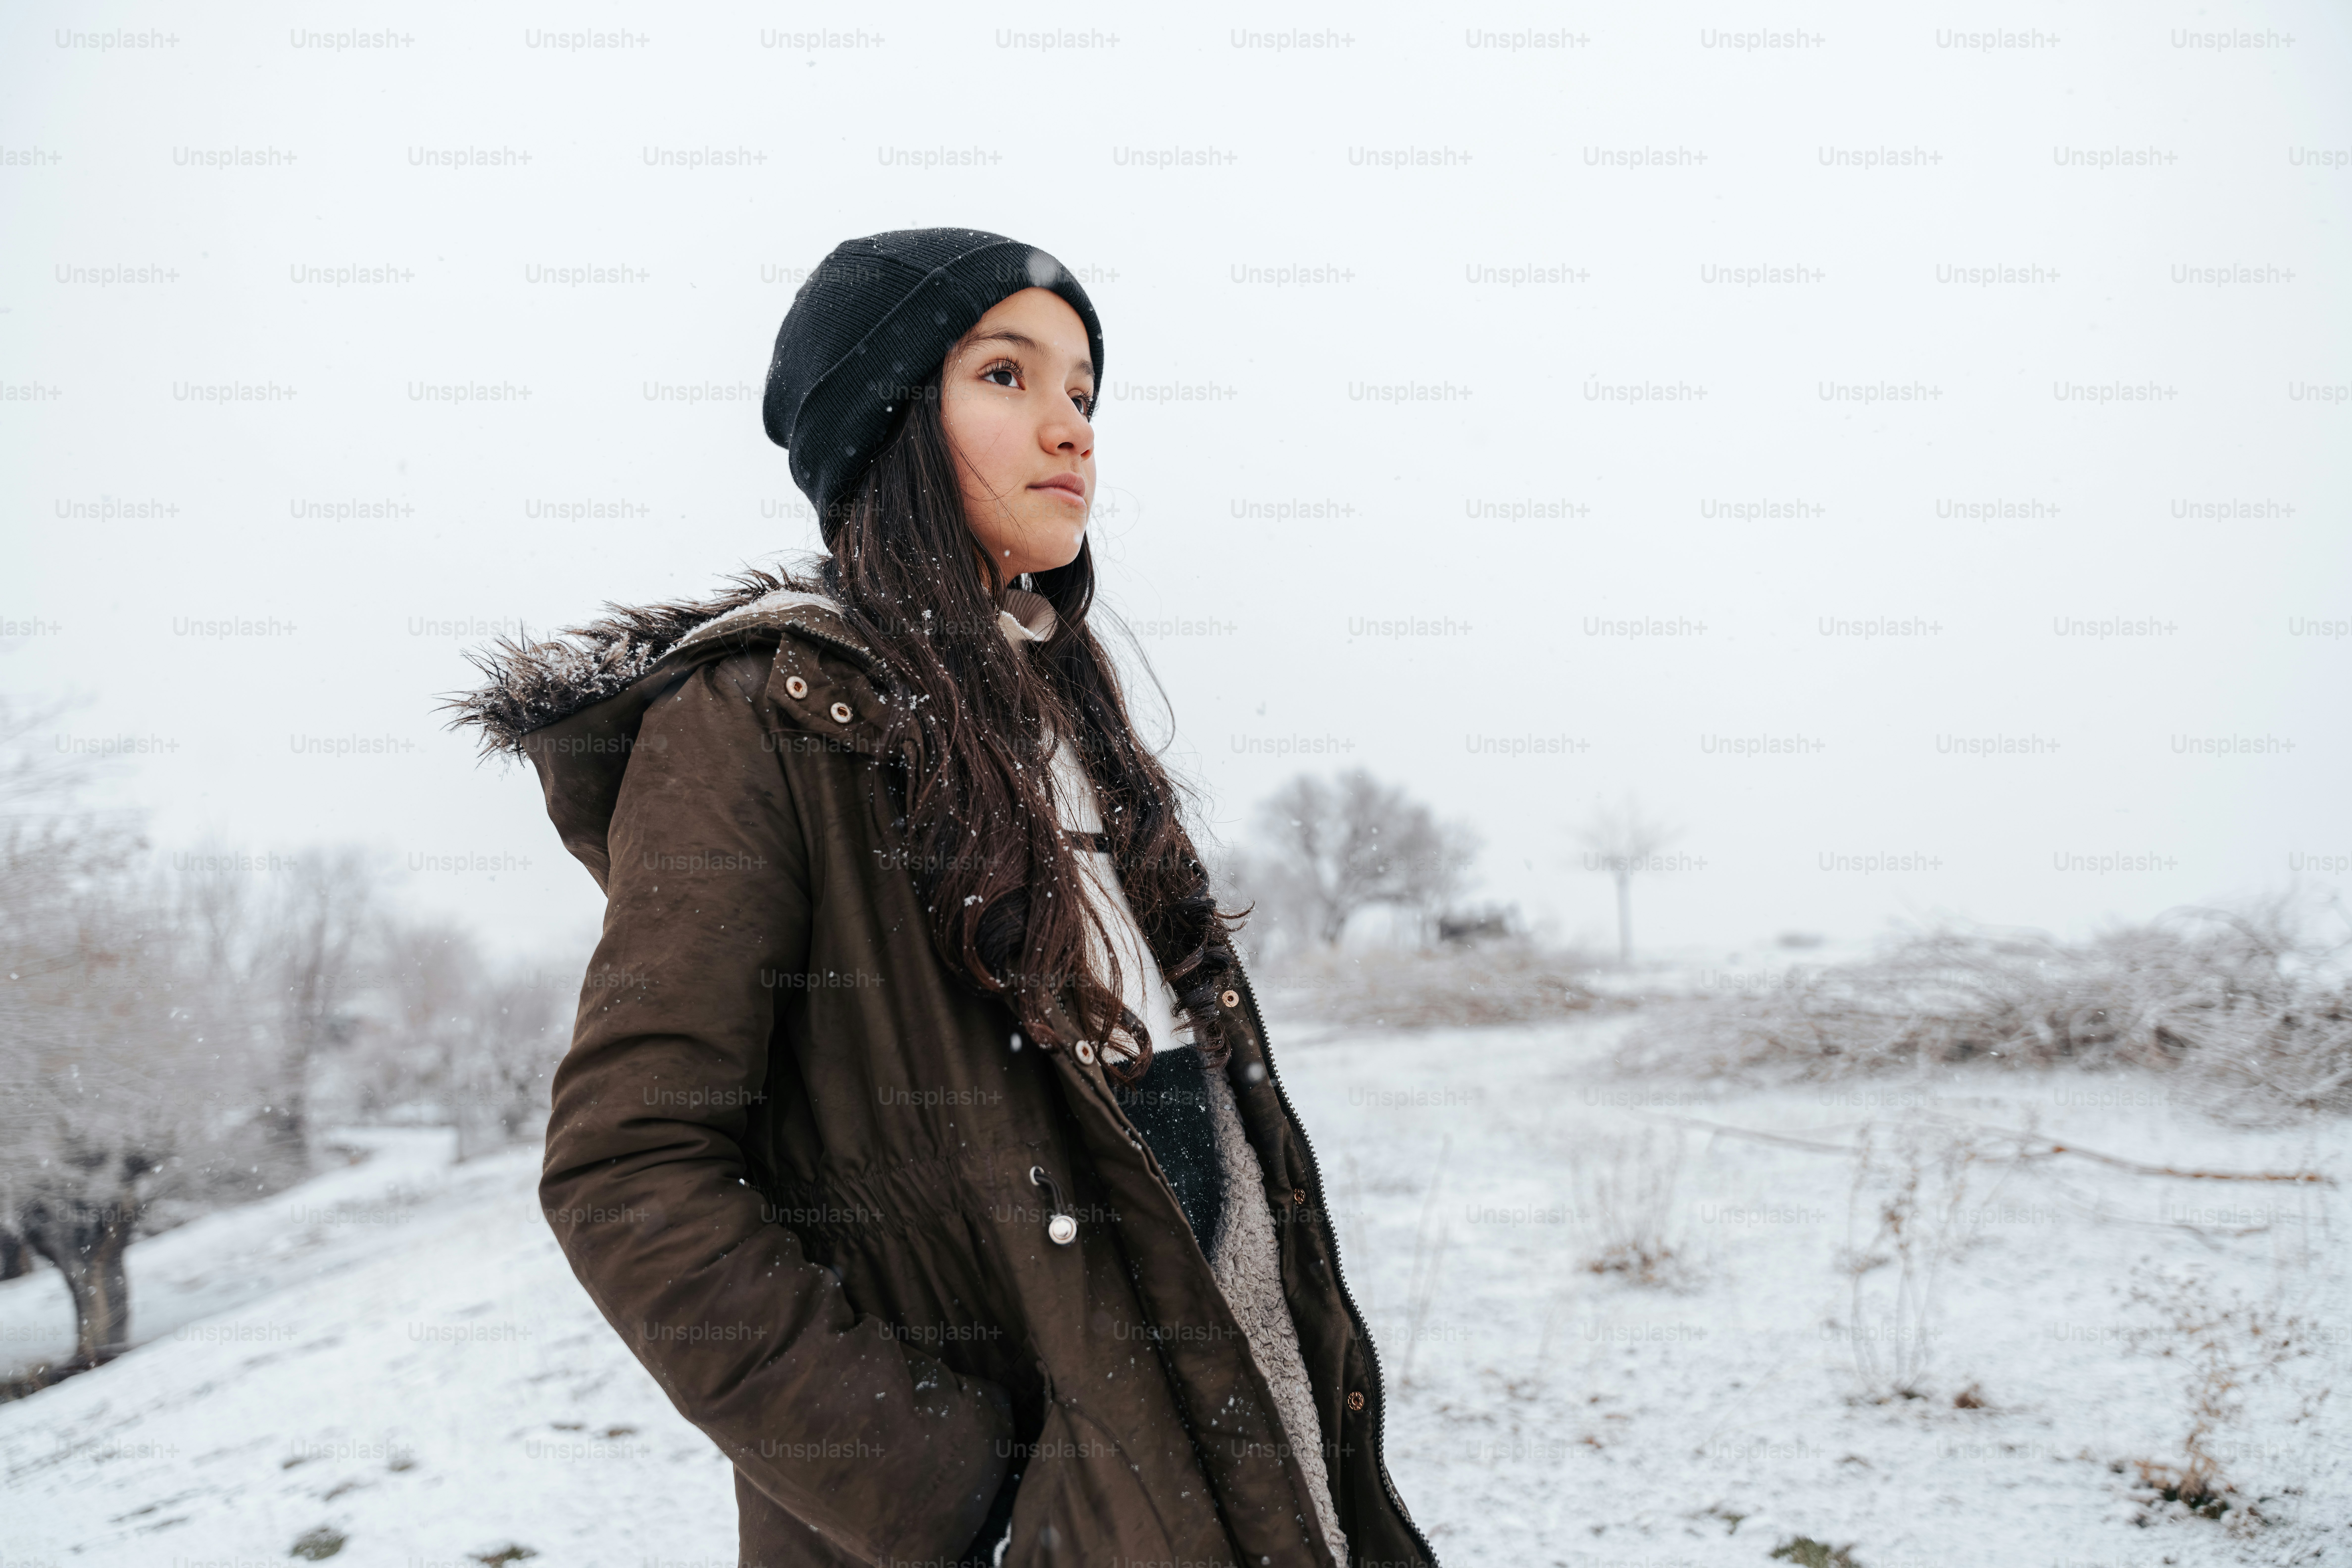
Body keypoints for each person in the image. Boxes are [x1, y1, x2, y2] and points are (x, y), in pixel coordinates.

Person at [452, 228, 1434, 1568]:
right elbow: (628, 1174)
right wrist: (962, 1496)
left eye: (1084, 392)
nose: (1070, 429)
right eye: (1007, 376)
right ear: (889, 421)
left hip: (1238, 1420)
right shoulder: (753, 723)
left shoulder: (1064, 703)